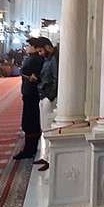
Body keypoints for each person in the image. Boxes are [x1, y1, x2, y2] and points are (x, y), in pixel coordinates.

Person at [13, 37, 45, 160]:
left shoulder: (34, 60)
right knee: (30, 122)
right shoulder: (34, 59)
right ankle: (30, 148)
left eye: (29, 46)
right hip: (30, 94)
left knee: (30, 123)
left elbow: (35, 78)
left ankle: (29, 149)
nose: (27, 48)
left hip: (32, 95)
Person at [34, 37, 58, 171]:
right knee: (44, 127)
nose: (40, 54)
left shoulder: (54, 58)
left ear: (47, 47)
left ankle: (50, 158)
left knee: (49, 128)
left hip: (49, 97)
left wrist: (50, 96)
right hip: (44, 95)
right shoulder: (48, 59)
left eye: (41, 51)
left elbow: (56, 79)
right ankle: (46, 156)